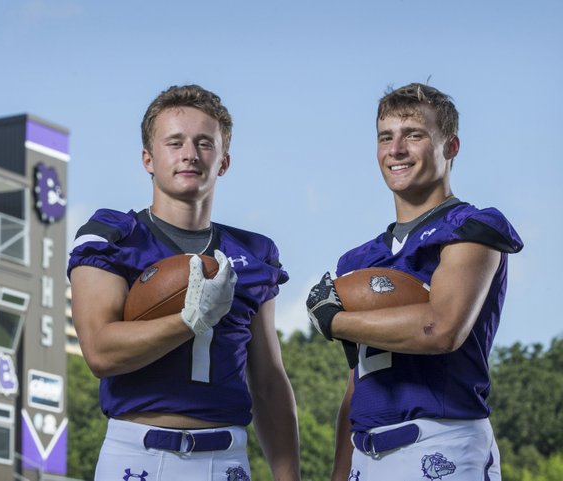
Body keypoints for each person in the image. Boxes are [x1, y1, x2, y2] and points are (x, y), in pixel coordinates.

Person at [68, 84, 300, 481]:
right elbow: (99, 352)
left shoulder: (254, 252)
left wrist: (287, 475)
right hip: (137, 453)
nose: (190, 154)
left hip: (225, 458)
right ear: (148, 158)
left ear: (224, 161)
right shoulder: (113, 236)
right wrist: (190, 319)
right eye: (175, 142)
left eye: (204, 143)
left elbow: (268, 380)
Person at [306, 83, 523, 480]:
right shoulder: (357, 260)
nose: (397, 149)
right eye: (386, 137)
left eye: (414, 135)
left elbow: (440, 329)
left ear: (451, 147)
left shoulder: (471, 227)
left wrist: (331, 320)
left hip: (440, 444)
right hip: (364, 453)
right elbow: (357, 384)